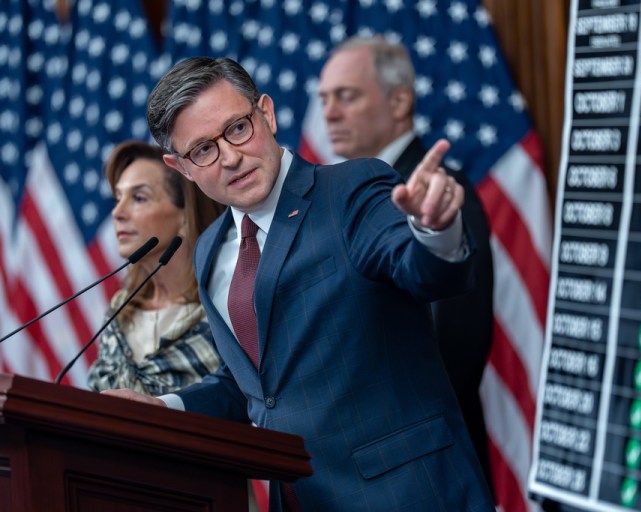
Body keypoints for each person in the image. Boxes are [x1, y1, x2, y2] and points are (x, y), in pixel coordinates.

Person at [103, 56, 495, 511]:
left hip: (407, 495)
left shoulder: (350, 189)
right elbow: (252, 385)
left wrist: (434, 229)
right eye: (203, 150)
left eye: (237, 129)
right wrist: (165, 408)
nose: (230, 157)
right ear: (181, 167)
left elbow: (423, 270)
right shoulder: (208, 248)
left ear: (266, 114)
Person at [318, 35, 495, 491]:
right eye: (324, 99)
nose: (329, 113)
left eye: (346, 96)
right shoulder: (343, 200)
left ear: (399, 102)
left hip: (429, 475)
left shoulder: (440, 195)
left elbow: (457, 343)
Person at [87, 140, 225, 396]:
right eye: (118, 198)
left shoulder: (223, 308)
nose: (117, 213)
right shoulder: (120, 314)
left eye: (139, 198)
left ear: (185, 215)